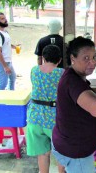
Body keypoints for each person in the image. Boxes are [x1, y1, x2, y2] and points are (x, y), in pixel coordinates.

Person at [51, 37, 96, 173]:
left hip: (65, 141)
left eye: (94, 57)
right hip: (76, 151)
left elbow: (80, 102)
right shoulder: (73, 81)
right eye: (86, 58)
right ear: (73, 58)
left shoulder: (75, 77)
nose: (93, 62)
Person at [26, 45, 65, 173]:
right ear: (59, 60)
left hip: (35, 117)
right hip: (53, 119)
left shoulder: (34, 70)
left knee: (42, 154)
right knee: (60, 152)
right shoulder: (62, 73)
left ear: (43, 57)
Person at [0, 12, 19, 90]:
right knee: (3, 84)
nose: (5, 20)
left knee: (12, 77)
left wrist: (14, 47)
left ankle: (11, 95)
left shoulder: (4, 32)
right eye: (2, 19)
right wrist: (5, 66)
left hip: (7, 61)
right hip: (1, 63)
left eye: (5, 18)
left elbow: (5, 44)